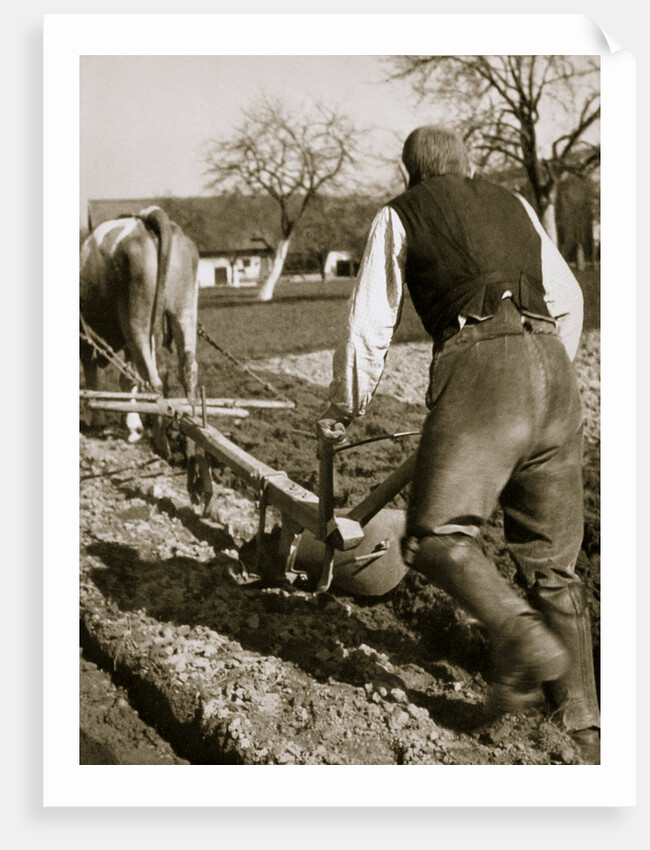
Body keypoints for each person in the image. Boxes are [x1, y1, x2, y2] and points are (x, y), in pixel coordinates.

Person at [318, 126, 600, 763]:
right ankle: (583, 729)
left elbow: (368, 327)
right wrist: (546, 369)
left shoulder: (400, 213)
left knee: (435, 537)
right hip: (556, 376)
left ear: (409, 172)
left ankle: (521, 636)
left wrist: (342, 410)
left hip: (479, 367)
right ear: (467, 165)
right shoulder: (514, 203)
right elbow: (570, 299)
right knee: (553, 567)